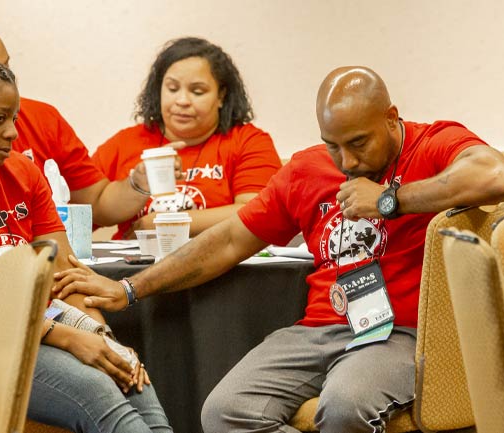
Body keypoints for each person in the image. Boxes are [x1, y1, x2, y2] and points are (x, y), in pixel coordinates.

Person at [54, 66, 504, 432]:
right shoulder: (307, 169)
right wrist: (131, 289)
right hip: (320, 329)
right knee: (226, 411)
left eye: (358, 144)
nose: (346, 162)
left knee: (347, 406)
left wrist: (391, 200)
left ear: (391, 117)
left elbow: (492, 176)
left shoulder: (433, 143)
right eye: (334, 146)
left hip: (401, 331)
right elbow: (229, 240)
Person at [0, 52, 171, 432]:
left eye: (13, 118)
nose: (13, 132)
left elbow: (67, 276)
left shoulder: (22, 171)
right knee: (99, 391)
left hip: (41, 328)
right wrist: (69, 340)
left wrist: (101, 338)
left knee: (130, 378)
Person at [0, 17, 165, 228]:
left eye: (6, 67)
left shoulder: (40, 128)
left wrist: (138, 185)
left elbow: (96, 205)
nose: (3, 79)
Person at [92, 37, 282, 239]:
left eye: (197, 91)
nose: (182, 101)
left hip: (222, 266)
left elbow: (258, 211)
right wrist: (135, 186)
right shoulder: (124, 143)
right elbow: (78, 215)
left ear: (221, 96)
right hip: (133, 266)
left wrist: (163, 223)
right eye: (172, 89)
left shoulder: (248, 141)